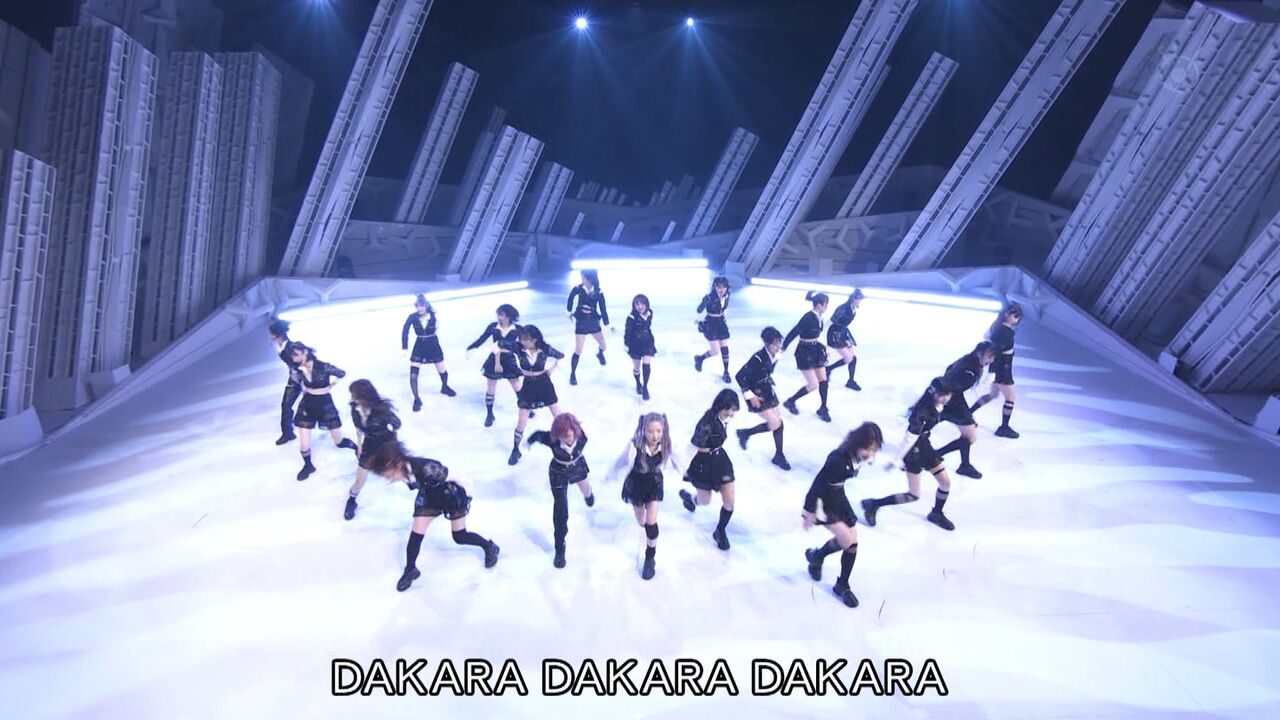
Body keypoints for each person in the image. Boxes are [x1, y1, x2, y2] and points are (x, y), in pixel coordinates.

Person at [368, 441, 500, 592]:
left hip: (451, 495)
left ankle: (489, 546)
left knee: (459, 536)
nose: (388, 479)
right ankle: (410, 569)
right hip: (430, 496)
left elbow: (456, 477)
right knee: (416, 534)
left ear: (395, 464)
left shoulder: (428, 469)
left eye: (388, 474)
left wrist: (465, 497)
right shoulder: (403, 472)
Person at [802, 422, 883, 608]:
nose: (871, 454)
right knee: (847, 540)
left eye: (874, 450)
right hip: (824, 502)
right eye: (869, 449)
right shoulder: (838, 460)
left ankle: (837, 579)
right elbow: (818, 483)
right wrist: (809, 510)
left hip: (839, 496)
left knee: (852, 542)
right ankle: (819, 558)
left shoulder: (854, 455)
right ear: (858, 443)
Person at [862, 377, 956, 531]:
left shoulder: (937, 405)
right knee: (914, 494)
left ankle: (937, 513)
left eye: (948, 394)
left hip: (925, 446)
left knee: (945, 483)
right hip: (914, 453)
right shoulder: (923, 412)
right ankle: (874, 504)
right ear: (934, 394)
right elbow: (910, 437)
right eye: (943, 394)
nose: (946, 398)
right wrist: (896, 459)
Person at [526, 413, 595, 568]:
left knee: (586, 488)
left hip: (577, 466)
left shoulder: (582, 437)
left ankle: (588, 495)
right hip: (558, 473)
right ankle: (559, 548)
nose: (567, 438)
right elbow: (538, 435)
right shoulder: (553, 440)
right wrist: (529, 442)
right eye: (563, 436)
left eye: (570, 434)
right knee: (561, 510)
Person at [618, 413, 681, 580]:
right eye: (651, 431)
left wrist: (689, 474)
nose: (655, 436)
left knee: (650, 524)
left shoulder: (666, 444)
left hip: (654, 484)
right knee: (641, 521)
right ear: (644, 430)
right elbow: (622, 461)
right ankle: (641, 517)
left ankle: (650, 558)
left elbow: (679, 460)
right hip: (636, 485)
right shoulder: (635, 445)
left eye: (659, 431)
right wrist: (611, 474)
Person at [679, 389, 739, 550]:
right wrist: (684, 467)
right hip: (703, 465)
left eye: (733, 410)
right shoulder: (706, 423)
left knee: (729, 501)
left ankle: (720, 530)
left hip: (720, 460)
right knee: (705, 501)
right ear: (721, 406)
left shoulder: (723, 418)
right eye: (729, 410)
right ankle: (690, 499)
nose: (731, 414)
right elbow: (692, 447)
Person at [289, 343, 358, 481]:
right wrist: (304, 387)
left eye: (296, 355)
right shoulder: (296, 369)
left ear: (305, 352)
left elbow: (341, 373)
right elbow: (295, 382)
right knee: (304, 440)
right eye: (292, 356)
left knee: (339, 441)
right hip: (307, 404)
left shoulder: (323, 366)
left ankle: (358, 450)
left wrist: (330, 386)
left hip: (324, 403)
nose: (294, 358)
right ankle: (308, 465)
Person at [935, 342, 997, 479]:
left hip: (951, 398)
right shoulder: (971, 371)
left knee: (968, 434)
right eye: (989, 356)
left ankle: (959, 463)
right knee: (970, 437)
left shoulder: (967, 360)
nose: (991, 360)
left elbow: (949, 369)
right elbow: (953, 385)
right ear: (979, 353)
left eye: (993, 357)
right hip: (952, 400)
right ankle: (938, 456)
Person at [344, 380, 402, 521]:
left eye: (355, 395)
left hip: (386, 443)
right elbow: (358, 429)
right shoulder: (355, 409)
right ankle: (352, 500)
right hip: (369, 444)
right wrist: (359, 446)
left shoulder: (382, 409)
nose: (353, 398)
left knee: (396, 470)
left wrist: (393, 442)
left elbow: (397, 424)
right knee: (360, 479)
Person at [734, 327, 791, 470]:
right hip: (755, 393)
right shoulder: (757, 358)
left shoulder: (774, 354)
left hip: (767, 390)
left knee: (777, 423)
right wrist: (750, 396)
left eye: (779, 343)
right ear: (767, 343)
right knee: (776, 423)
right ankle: (779, 455)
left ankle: (745, 433)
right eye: (775, 344)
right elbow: (739, 376)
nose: (778, 346)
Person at [508, 325, 565, 466]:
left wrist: (551, 370)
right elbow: (500, 345)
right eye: (521, 339)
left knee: (558, 416)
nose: (522, 341)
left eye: (525, 339)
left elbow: (561, 356)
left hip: (544, 384)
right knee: (522, 420)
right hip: (528, 386)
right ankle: (515, 449)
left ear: (534, 340)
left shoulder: (545, 349)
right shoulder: (518, 348)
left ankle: (567, 442)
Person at [969, 303, 1023, 439]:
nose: (1016, 318)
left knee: (993, 395)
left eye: (1017, 316)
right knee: (1010, 398)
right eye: (1015, 315)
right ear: (1007, 315)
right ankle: (1004, 427)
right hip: (1004, 369)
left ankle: (968, 413)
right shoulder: (1005, 332)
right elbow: (996, 352)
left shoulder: (1000, 329)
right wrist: (993, 371)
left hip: (1002, 367)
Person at [465, 304, 523, 427]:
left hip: (509, 359)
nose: (499, 317)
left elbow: (524, 344)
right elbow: (482, 339)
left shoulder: (518, 329)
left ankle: (525, 407)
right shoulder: (493, 327)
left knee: (516, 385)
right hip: (494, 358)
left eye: (501, 315)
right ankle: (490, 414)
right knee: (491, 387)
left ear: (508, 316)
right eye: (498, 314)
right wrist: (471, 347)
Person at [782, 291, 833, 422]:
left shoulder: (819, 317)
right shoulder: (808, 318)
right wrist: (784, 346)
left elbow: (817, 335)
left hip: (815, 349)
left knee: (823, 380)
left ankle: (823, 408)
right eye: (826, 304)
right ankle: (790, 401)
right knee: (813, 384)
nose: (827, 307)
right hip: (804, 353)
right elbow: (794, 332)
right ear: (819, 305)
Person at [401, 294, 456, 413]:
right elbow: (405, 331)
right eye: (417, 306)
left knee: (442, 369)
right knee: (413, 374)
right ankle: (417, 399)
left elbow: (438, 327)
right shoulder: (412, 317)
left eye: (421, 306)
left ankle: (444, 387)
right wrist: (405, 347)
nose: (419, 309)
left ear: (426, 306)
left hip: (433, 344)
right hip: (419, 345)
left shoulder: (434, 316)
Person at [566, 269, 609, 385]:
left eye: (583, 278)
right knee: (578, 350)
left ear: (590, 279)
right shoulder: (578, 289)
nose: (582, 280)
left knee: (604, 345)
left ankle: (600, 353)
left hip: (593, 322)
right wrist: (569, 311)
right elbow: (571, 297)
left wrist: (607, 324)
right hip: (581, 322)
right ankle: (573, 373)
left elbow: (603, 309)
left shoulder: (598, 292)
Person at [268, 319, 301, 446]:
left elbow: (305, 362)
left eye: (271, 334)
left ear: (277, 335)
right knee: (286, 405)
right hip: (294, 379)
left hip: (303, 379)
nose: (270, 336)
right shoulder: (279, 346)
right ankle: (288, 433)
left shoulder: (292, 347)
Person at [694, 276, 733, 383]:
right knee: (715, 351)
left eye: (723, 287)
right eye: (718, 287)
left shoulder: (727, 295)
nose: (721, 289)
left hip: (721, 322)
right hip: (711, 323)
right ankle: (700, 358)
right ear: (714, 287)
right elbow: (699, 310)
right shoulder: (709, 298)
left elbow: (723, 308)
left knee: (724, 347)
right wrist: (699, 322)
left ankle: (726, 372)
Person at [825, 289, 864, 391]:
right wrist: (820, 333)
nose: (860, 301)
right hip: (835, 334)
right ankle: (828, 369)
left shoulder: (853, 308)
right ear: (854, 299)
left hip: (843, 333)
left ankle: (850, 380)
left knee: (853, 358)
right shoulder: (843, 308)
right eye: (859, 299)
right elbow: (831, 321)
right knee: (849, 358)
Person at [624, 294, 657, 400]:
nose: (640, 306)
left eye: (642, 303)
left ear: (646, 304)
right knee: (637, 367)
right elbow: (628, 332)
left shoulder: (650, 313)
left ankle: (645, 388)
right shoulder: (631, 317)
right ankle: (638, 383)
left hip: (647, 342)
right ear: (634, 305)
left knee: (647, 363)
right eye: (637, 304)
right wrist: (626, 344)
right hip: (635, 344)